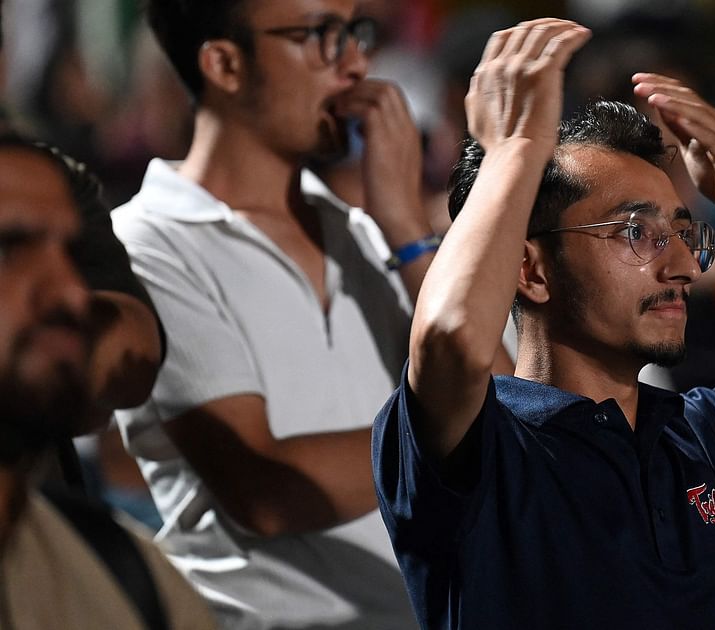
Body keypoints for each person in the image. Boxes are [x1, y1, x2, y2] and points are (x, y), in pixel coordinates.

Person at [372, 18, 715, 629]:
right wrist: (513, 151)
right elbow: (449, 340)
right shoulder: (479, 446)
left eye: (684, 234)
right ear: (530, 271)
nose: (685, 266)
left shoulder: (709, 437)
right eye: (638, 233)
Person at [111, 0, 433, 626]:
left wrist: (408, 228)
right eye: (321, 36)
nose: (357, 63)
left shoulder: (370, 236)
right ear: (225, 63)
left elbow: (507, 401)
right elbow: (267, 491)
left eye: (354, 32)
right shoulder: (149, 242)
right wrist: (461, 435)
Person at [0, 134, 215, 629]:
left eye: (72, 254)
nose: (73, 294)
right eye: (10, 248)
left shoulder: (120, 578)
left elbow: (133, 353)